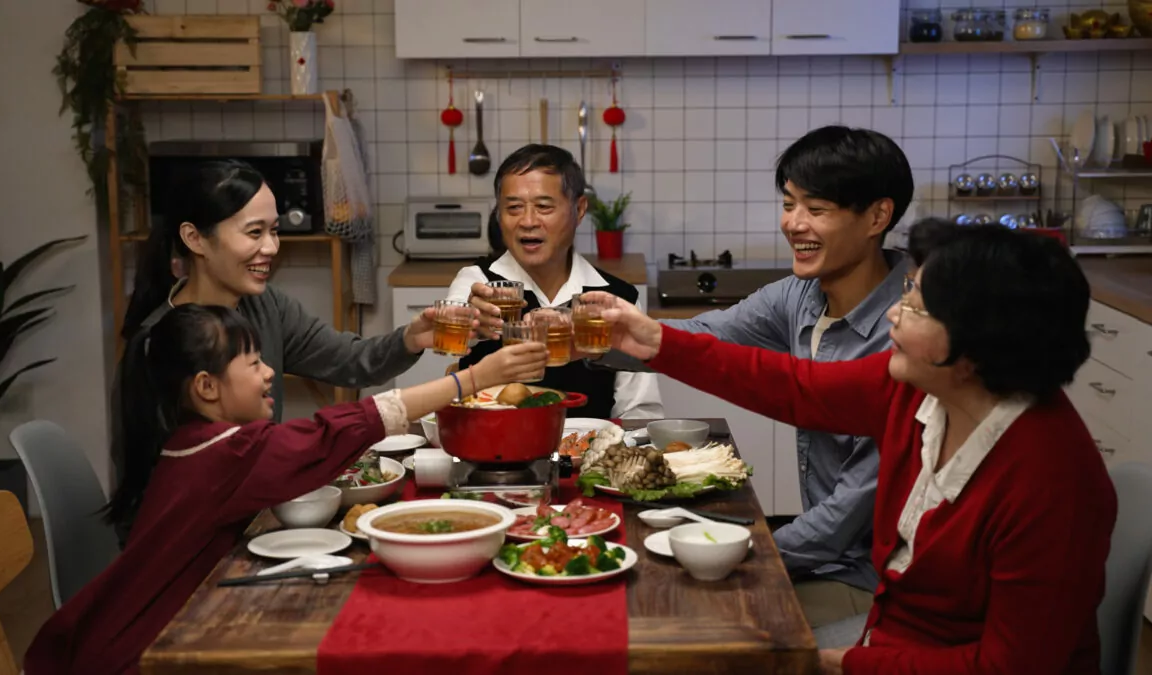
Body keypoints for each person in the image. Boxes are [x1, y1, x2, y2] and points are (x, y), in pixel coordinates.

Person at [585, 220, 1116, 674]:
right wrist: (656, 342)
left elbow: (1010, 667)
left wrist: (847, 662)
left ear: (976, 345)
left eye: (916, 306)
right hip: (889, 642)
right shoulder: (920, 391)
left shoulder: (1051, 481)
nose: (894, 315)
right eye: (906, 291)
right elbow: (794, 386)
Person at [26, 304, 548, 675]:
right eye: (253, 364)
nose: (270, 372)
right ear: (207, 387)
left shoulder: (194, 440)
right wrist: (470, 380)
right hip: (149, 654)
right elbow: (331, 432)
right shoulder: (226, 453)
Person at [617, 126, 914, 628]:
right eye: (789, 204)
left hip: (870, 579)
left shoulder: (906, 336)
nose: (794, 224)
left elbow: (846, 518)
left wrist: (740, 550)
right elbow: (699, 339)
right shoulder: (799, 298)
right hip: (820, 557)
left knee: (695, 625)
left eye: (816, 210)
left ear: (877, 217)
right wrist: (592, 336)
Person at [112, 159, 427, 544]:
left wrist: (412, 338)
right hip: (195, 547)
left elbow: (349, 360)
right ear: (195, 239)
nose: (271, 247)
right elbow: (149, 497)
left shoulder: (267, 307)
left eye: (274, 231)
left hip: (257, 525)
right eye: (254, 233)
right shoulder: (158, 344)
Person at [447, 144, 662, 420]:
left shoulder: (617, 297)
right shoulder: (477, 283)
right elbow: (453, 336)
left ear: (579, 209)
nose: (527, 221)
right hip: (494, 453)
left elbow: (641, 412)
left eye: (543, 207)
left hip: (589, 456)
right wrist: (472, 325)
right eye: (513, 208)